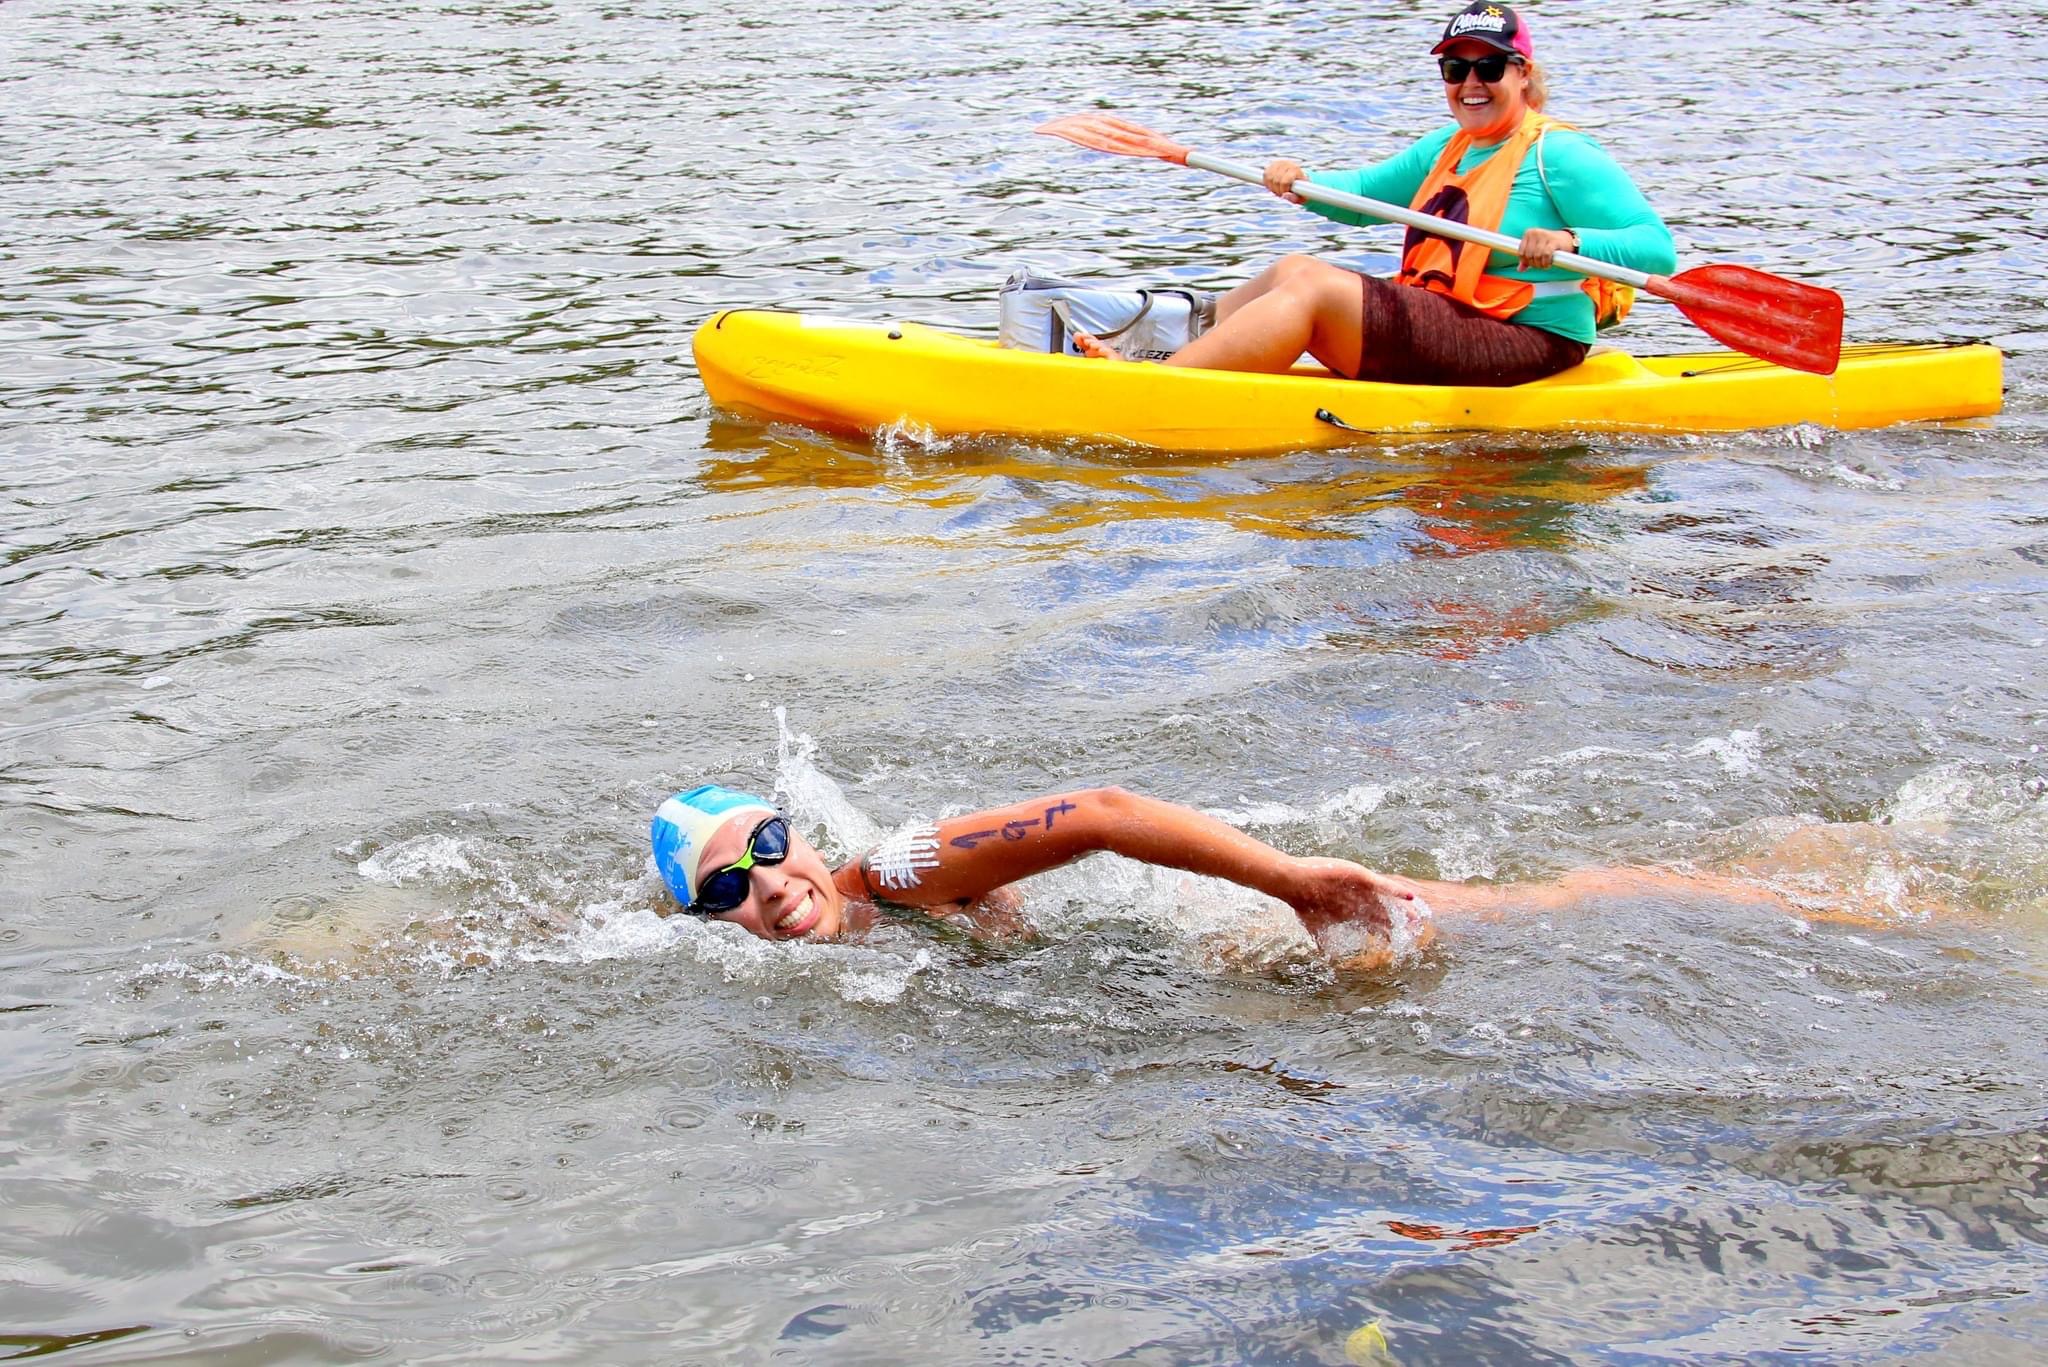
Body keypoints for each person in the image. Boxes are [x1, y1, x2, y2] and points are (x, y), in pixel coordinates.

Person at [648, 784, 1952, 970]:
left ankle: (1822, 889)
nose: (762, 885)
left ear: (801, 836)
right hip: (1178, 956)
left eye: (767, 846)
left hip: (1228, 906)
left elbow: (1099, 812)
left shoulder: (899, 869)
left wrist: (1283, 883)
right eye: (721, 889)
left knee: (1527, 920)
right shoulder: (778, 960)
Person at [1077, 2, 1678, 387]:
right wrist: (1299, 182)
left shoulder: (1561, 155)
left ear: (1522, 73)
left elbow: (1655, 249)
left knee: (1314, 288)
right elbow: (1362, 197)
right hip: (1456, 317)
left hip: (1532, 341)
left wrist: (1570, 239)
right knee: (1293, 265)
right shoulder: (1449, 147)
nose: (1471, 83)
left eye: (1489, 68)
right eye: (1455, 70)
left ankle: (1157, 389)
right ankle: (1171, 362)